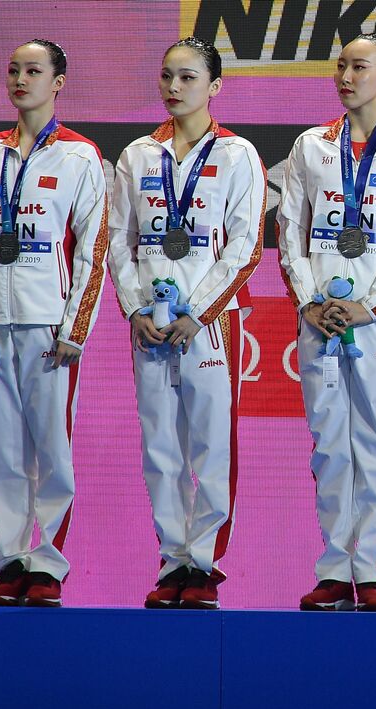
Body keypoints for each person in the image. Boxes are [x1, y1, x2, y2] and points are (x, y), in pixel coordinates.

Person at [277, 33, 376, 612]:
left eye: (360, 66)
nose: (346, 75)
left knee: (372, 442)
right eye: (340, 65)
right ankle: (332, 568)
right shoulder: (310, 147)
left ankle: (367, 567)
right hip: (318, 319)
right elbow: (289, 234)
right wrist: (310, 302)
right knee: (327, 445)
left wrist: (367, 305)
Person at [0, 39, 108, 608]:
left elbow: (94, 251)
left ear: (58, 81)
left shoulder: (80, 156)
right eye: (13, 69)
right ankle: (11, 558)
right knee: (2, 451)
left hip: (48, 328)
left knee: (50, 448)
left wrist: (75, 329)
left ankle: (48, 562)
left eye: (34, 70)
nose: (20, 78)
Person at [108, 37, 263, 609]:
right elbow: (118, 243)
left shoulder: (238, 154)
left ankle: (204, 563)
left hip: (209, 324)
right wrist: (135, 308)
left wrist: (197, 311)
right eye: (167, 77)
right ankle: (172, 561)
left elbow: (246, 245)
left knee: (210, 444)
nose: (174, 88)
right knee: (159, 448)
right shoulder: (136, 156)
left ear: (214, 86)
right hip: (149, 325)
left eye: (189, 78)